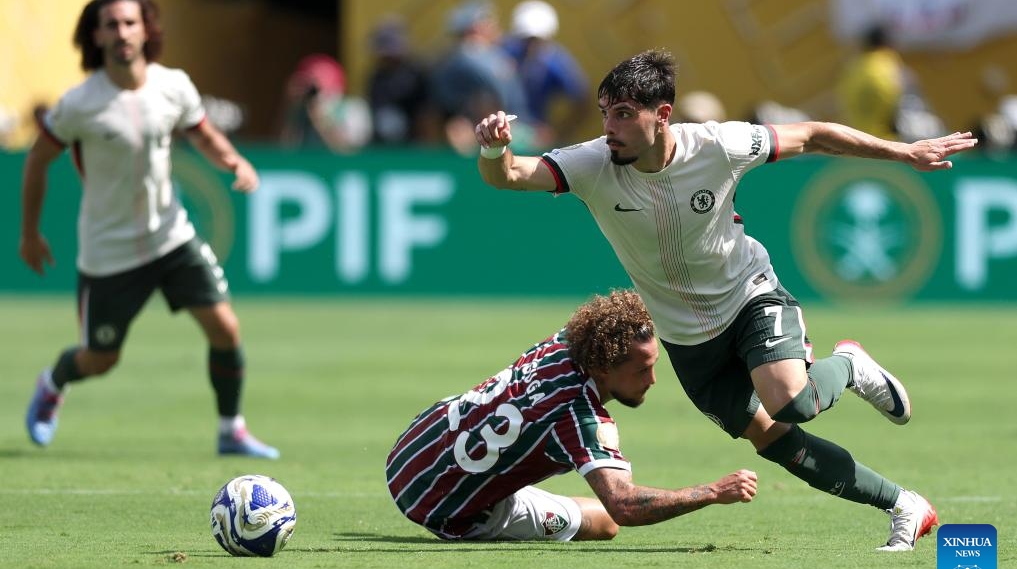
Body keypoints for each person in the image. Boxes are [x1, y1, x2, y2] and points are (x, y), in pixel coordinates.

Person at [473, 49, 978, 550]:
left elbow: (813, 134)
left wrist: (904, 153)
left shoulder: (719, 144)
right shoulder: (592, 163)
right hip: (687, 340)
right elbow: (509, 175)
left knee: (791, 401)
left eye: (623, 114)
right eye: (606, 112)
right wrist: (495, 151)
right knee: (775, 442)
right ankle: (904, 505)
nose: (610, 127)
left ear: (662, 114)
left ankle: (848, 364)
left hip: (748, 296)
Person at [19, 0, 279, 459]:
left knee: (225, 328)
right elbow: (37, 160)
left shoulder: (172, 85)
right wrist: (29, 233)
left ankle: (231, 430)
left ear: (146, 29)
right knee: (100, 360)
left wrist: (234, 161)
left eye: (129, 22)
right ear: (96, 36)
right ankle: (53, 382)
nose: (122, 32)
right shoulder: (80, 104)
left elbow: (203, 134)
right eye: (111, 24)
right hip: (109, 252)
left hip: (170, 236)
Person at [387, 289, 757, 541]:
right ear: (603, 367)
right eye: (641, 370)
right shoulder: (579, 417)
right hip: (439, 505)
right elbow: (624, 506)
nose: (652, 380)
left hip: (415, 443)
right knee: (604, 523)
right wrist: (712, 492)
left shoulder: (566, 341)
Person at [502, 0, 589, 145]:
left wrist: (559, 133)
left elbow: (582, 98)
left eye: (536, 40)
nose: (530, 46)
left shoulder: (556, 62)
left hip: (536, 135)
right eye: (526, 39)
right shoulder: (506, 52)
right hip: (504, 126)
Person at [365, 16, 441, 146]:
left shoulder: (417, 72)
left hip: (416, 132)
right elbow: (376, 108)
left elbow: (428, 108)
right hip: (388, 135)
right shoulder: (377, 77)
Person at [279, 53, 372, 153]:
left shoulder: (353, 108)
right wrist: (289, 105)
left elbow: (348, 151)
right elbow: (285, 149)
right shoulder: (300, 110)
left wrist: (319, 117)